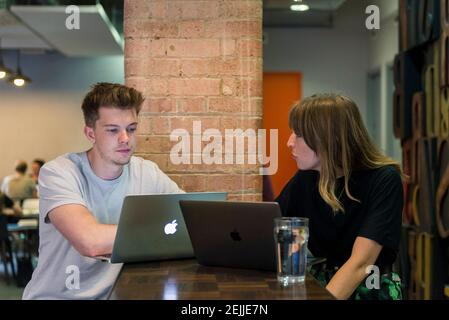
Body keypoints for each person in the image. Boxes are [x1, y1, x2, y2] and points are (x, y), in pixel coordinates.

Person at [22, 83, 183, 299]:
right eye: (113, 130)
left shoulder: (147, 173)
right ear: (91, 133)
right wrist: (163, 231)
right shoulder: (59, 172)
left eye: (131, 129)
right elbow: (91, 241)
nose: (125, 138)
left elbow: (192, 217)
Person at [276, 94, 404, 300]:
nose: (289, 142)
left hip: (370, 288)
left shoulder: (384, 180)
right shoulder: (305, 179)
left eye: (298, 134)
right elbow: (269, 231)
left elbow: (360, 264)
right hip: (322, 284)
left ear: (328, 138)